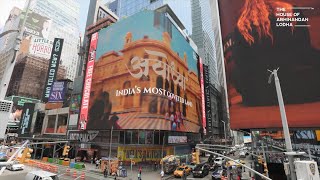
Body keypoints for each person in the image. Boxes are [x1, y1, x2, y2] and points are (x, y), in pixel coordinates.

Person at [231, 0, 320, 106]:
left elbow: (240, 62)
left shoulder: (242, 24)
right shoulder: (291, 12)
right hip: (295, 87)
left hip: (259, 94)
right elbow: (305, 52)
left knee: (236, 73)